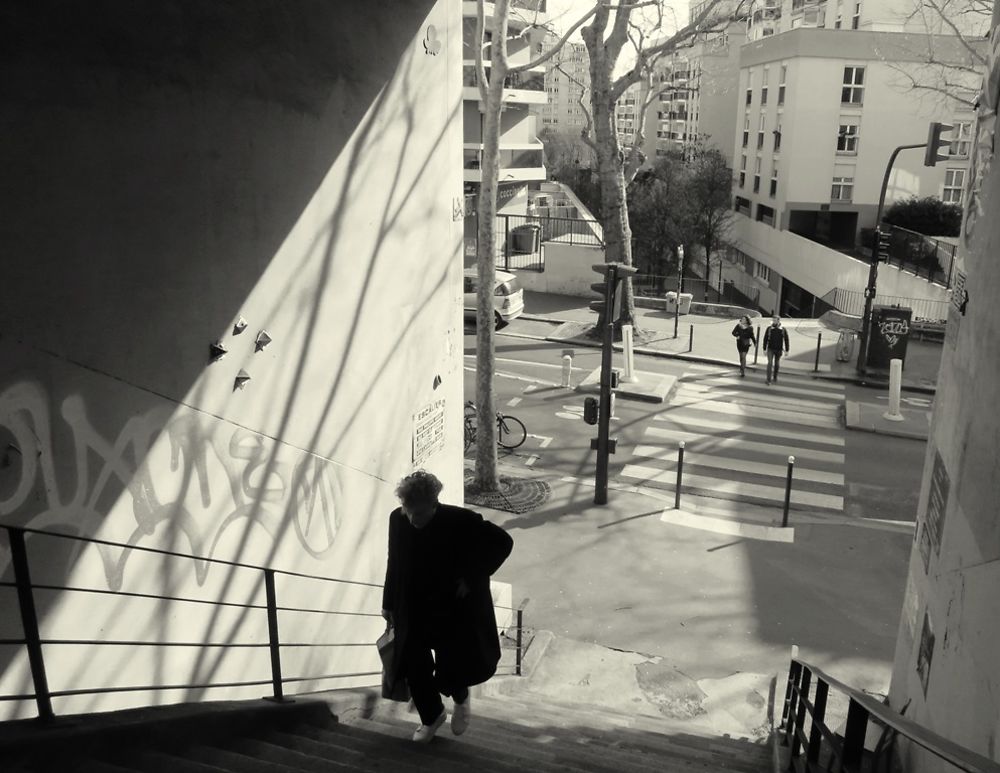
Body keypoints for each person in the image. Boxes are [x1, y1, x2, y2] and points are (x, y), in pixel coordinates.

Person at [381, 470, 514, 744]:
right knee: (413, 665)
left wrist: (472, 577)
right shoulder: (397, 519)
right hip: (413, 605)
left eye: (419, 513)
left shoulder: (460, 520)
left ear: (434, 503)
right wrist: (388, 603)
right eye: (408, 511)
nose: (413, 519)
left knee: (450, 667)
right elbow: (393, 561)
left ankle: (462, 701)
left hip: (451, 609)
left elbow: (502, 542)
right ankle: (431, 717)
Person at [762, 315, 790, 384]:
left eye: (775, 320)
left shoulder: (783, 329)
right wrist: (764, 349)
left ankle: (775, 376)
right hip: (770, 349)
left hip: (779, 349)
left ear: (778, 320)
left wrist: (787, 350)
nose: (774, 321)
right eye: (773, 320)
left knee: (777, 364)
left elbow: (786, 340)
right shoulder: (769, 329)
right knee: (770, 363)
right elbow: (765, 339)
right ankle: (768, 380)